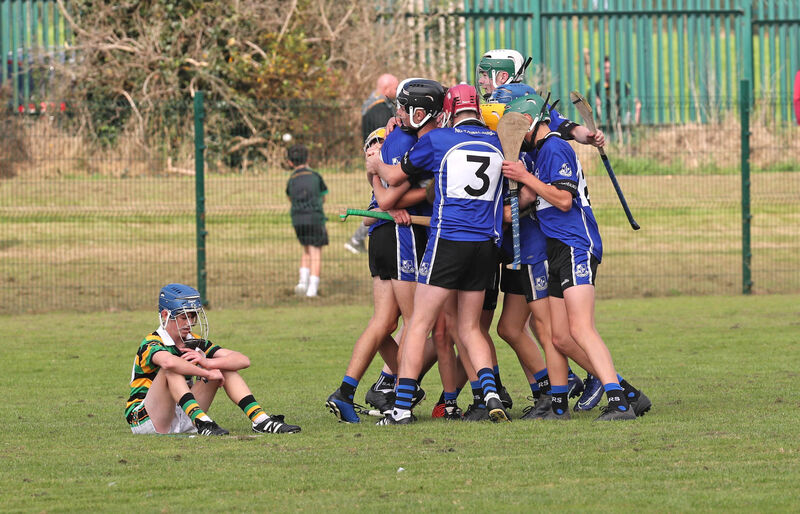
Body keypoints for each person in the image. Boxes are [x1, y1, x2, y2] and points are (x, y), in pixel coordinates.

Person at [368, 78, 510, 425]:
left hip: (448, 240)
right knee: (470, 328)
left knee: (419, 324)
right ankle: (489, 392)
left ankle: (400, 409)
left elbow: (393, 174)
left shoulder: (437, 139)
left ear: (446, 111)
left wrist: (372, 164)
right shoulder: (497, 142)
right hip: (485, 245)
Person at [501, 94, 651, 421]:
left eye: (513, 129)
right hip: (555, 247)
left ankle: (620, 402)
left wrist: (525, 177)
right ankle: (558, 406)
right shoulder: (541, 153)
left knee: (581, 329)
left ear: (528, 123)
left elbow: (564, 201)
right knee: (558, 336)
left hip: (575, 244)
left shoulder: (555, 148)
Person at [125, 283, 301, 435]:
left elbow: (242, 360)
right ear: (165, 315)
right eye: (184, 316)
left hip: (181, 411)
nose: (190, 321)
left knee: (224, 366)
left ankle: (260, 420)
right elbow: (168, 362)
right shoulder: (152, 341)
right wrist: (206, 373)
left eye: (193, 315)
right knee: (172, 369)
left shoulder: (193, 340)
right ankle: (203, 422)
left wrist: (209, 363)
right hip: (147, 419)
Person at [345, 73, 401, 255]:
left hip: (373, 162)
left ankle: (357, 238)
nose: (397, 91)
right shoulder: (380, 112)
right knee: (382, 202)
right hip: (380, 163)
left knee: (377, 201)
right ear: (386, 90)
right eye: (395, 88)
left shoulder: (368, 106)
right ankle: (357, 238)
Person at [286, 144, 328, 297]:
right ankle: (312, 290)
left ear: (290, 162)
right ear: (308, 158)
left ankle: (302, 283)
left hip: (298, 219)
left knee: (306, 249)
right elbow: (323, 196)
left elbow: (290, 198)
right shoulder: (315, 176)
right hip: (315, 218)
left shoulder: (291, 179)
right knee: (315, 252)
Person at [586, 53, 641, 128]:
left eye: (610, 68)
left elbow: (633, 99)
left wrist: (636, 104)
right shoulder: (594, 88)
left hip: (621, 121)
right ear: (599, 70)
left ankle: (633, 131)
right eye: (605, 68)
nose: (608, 71)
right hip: (602, 124)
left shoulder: (621, 86)